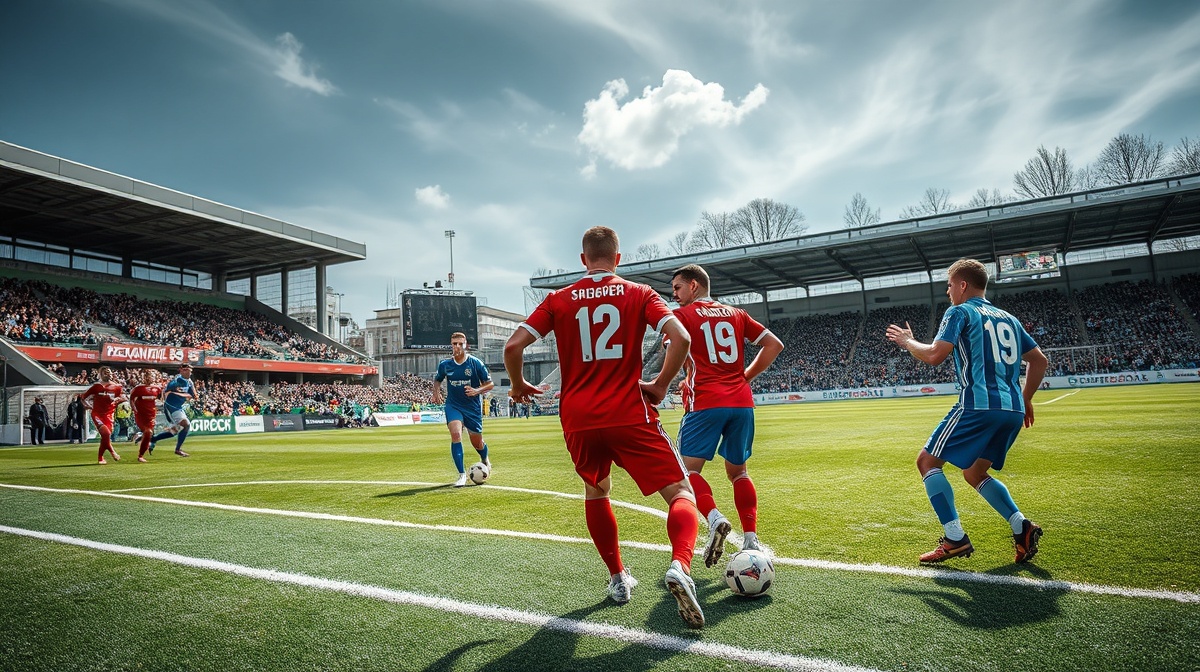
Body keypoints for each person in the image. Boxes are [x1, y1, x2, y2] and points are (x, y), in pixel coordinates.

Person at [504, 226, 705, 629]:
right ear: (618, 258)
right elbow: (681, 336)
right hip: (629, 410)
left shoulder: (558, 299)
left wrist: (517, 382)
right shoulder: (639, 293)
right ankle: (680, 566)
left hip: (578, 417)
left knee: (597, 490)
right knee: (681, 492)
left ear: (583, 260)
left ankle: (617, 579)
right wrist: (662, 383)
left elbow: (512, 347)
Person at [886, 258, 1048, 564]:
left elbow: (935, 354)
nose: (948, 292)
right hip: (1011, 409)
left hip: (978, 404)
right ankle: (1021, 527)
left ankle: (955, 538)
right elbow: (1039, 361)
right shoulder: (1008, 318)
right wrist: (1025, 399)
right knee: (974, 472)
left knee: (927, 462)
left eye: (949, 285)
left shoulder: (959, 311)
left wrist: (908, 342)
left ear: (962, 285)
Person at [669, 264, 784, 567]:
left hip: (706, 402)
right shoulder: (737, 314)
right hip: (741, 402)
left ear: (693, 286)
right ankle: (751, 539)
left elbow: (679, 350)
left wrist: (685, 377)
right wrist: (744, 377)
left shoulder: (681, 317)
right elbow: (774, 344)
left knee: (687, 473)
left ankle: (714, 518)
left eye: (678, 289)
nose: (675, 296)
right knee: (739, 472)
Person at [431, 332, 494, 487]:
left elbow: (490, 384)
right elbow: (438, 379)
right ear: (451, 345)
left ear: (466, 345)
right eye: (454, 344)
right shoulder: (445, 365)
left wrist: (476, 391)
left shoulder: (475, 363)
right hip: (453, 405)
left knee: (477, 442)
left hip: (472, 407)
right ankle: (461, 475)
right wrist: (436, 393)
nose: (457, 346)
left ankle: (485, 459)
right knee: (456, 433)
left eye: (460, 343)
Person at [149, 364, 197, 457]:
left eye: (190, 371)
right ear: (181, 370)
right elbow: (166, 393)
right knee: (186, 424)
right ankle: (178, 449)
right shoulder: (176, 381)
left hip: (178, 407)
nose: (189, 373)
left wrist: (190, 394)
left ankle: (153, 439)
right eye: (187, 371)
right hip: (171, 406)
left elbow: (193, 395)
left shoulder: (189, 382)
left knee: (174, 431)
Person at [80, 366, 125, 464]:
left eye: (109, 372)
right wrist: (88, 406)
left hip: (109, 415)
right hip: (97, 414)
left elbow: (123, 398)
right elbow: (83, 397)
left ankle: (100, 458)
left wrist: (116, 400)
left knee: (105, 437)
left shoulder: (116, 387)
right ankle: (113, 452)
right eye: (105, 372)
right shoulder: (97, 387)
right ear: (100, 375)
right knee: (106, 434)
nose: (108, 374)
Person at [129, 370, 164, 463]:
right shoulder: (138, 388)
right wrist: (134, 409)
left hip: (151, 415)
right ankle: (140, 456)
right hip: (140, 415)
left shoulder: (157, 389)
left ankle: (139, 437)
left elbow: (160, 399)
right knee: (148, 432)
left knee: (149, 434)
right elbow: (131, 399)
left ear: (154, 377)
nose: (149, 378)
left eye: (151, 376)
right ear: (143, 377)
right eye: (147, 376)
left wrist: (159, 405)